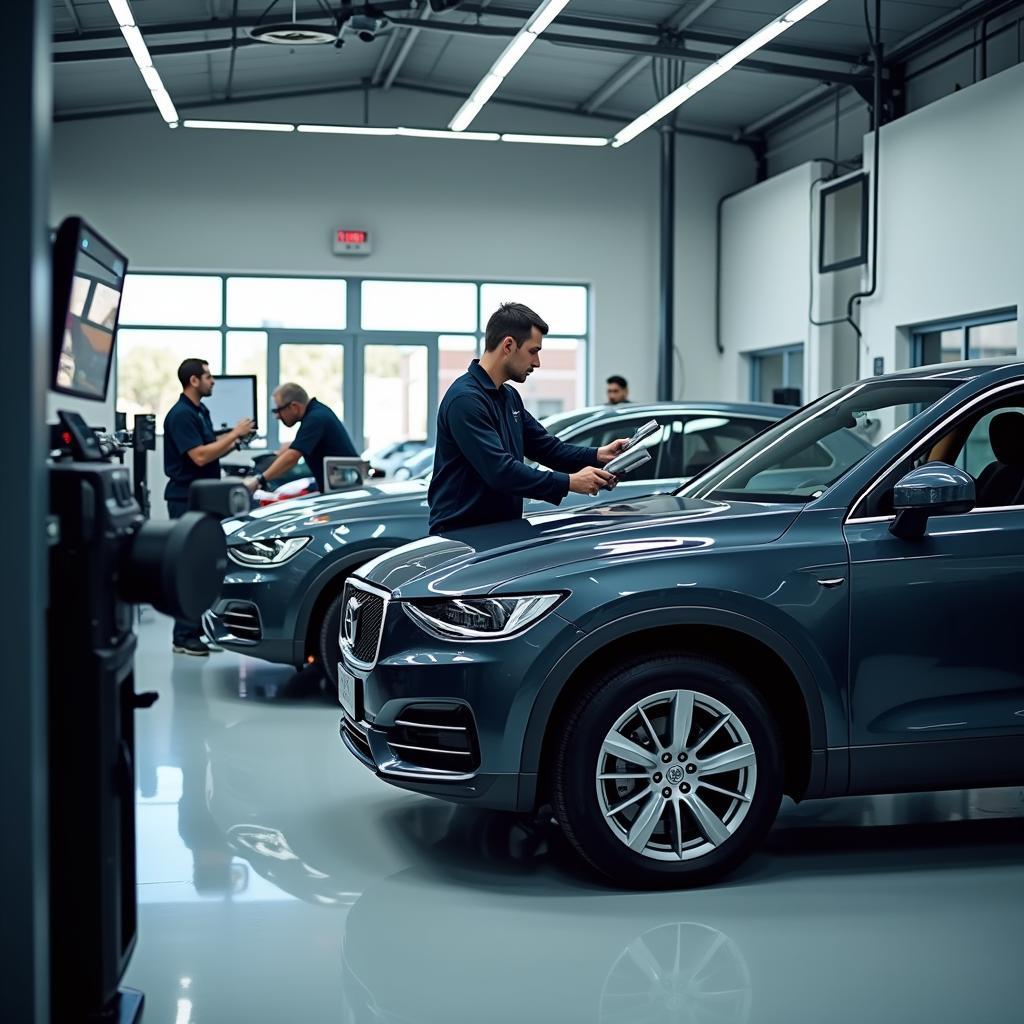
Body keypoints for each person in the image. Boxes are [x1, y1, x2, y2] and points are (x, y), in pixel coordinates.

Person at [428, 302, 629, 535]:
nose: (537, 363)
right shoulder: (465, 400)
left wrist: (598, 455)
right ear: (509, 345)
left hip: (499, 530)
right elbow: (501, 471)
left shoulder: (508, 396)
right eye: (533, 351)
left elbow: (547, 448)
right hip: (461, 535)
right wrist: (570, 482)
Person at [164, 358, 254, 655]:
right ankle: (183, 636)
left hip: (202, 498)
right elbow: (200, 456)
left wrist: (235, 441)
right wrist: (234, 434)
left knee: (201, 566)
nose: (213, 381)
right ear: (193, 381)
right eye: (208, 376)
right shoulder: (180, 415)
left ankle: (194, 632)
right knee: (187, 567)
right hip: (185, 499)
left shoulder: (199, 411)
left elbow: (211, 448)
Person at [243, 383, 357, 495]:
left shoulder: (315, 418)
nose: (277, 416)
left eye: (278, 410)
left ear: (294, 407)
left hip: (344, 493)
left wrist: (259, 480)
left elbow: (292, 457)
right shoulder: (317, 411)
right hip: (341, 488)